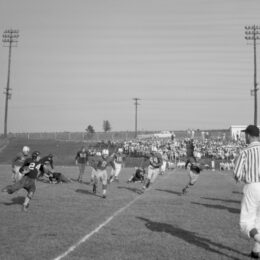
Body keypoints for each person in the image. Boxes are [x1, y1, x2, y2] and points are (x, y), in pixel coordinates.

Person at [234, 125, 260, 259]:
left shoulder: (245, 152)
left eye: (245, 134)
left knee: (245, 223)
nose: (245, 137)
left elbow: (237, 173)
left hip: (253, 186)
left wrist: (240, 176)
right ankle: (256, 252)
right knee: (258, 222)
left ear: (249, 135)